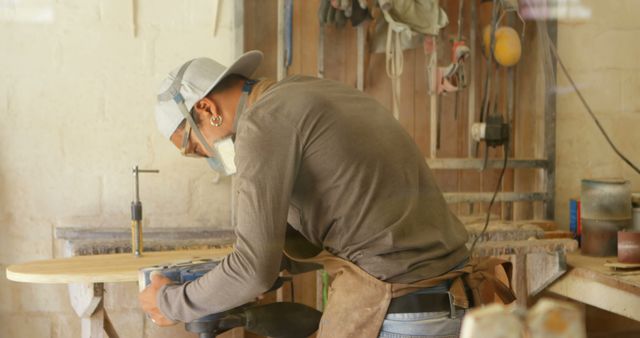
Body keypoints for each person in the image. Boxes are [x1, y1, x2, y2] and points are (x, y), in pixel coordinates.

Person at [139, 50, 513, 337]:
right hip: (453, 300)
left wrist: (168, 302)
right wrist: (233, 281)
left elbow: (251, 270)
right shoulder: (310, 90)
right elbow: (361, 217)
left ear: (206, 109)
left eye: (192, 145)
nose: (203, 155)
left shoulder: (262, 123)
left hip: (400, 312)